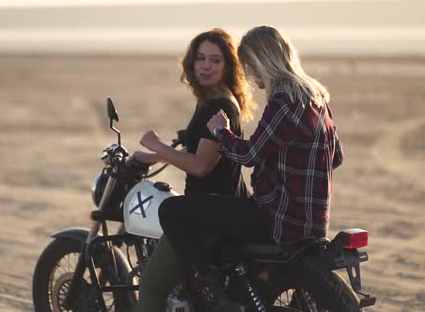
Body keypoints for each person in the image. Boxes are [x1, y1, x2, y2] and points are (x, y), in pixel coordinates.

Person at [158, 25, 344, 308]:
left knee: (171, 209)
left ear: (261, 61)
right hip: (315, 222)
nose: (247, 74)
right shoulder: (316, 96)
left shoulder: (284, 98)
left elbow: (249, 154)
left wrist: (221, 131)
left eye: (248, 66)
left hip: (279, 219)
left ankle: (207, 285)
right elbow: (337, 156)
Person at [132, 28, 255, 312]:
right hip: (222, 204)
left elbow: (201, 167)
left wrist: (158, 145)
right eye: (201, 58)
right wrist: (154, 156)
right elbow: (204, 153)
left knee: (151, 286)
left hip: (208, 213)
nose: (206, 66)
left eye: (215, 60)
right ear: (191, 62)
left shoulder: (220, 105)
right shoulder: (212, 100)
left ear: (228, 66)